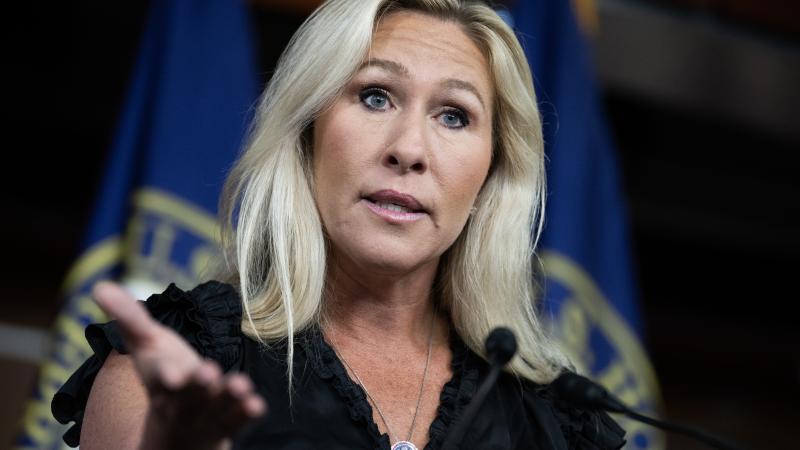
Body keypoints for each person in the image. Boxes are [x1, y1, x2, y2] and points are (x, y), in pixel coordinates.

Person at [52, 0, 626, 449]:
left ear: (491, 174)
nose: (409, 149)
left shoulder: (559, 420)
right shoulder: (177, 366)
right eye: (375, 96)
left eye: (454, 115)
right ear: (307, 136)